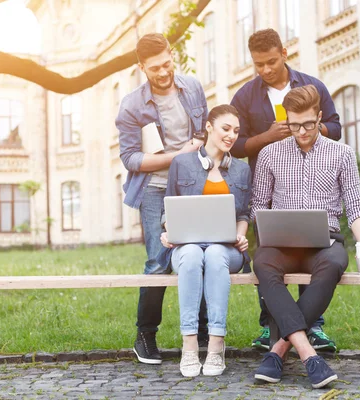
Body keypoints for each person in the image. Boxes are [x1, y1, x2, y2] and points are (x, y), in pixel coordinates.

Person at [251, 85, 360, 388]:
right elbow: (258, 205)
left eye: (308, 123)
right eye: (294, 125)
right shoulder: (269, 154)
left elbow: (356, 204)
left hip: (326, 240)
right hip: (280, 243)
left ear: (319, 117)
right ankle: (309, 354)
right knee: (263, 263)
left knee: (335, 262)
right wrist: (267, 227)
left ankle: (278, 350)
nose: (302, 131)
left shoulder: (342, 154)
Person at [230, 28, 341, 352]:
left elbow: (334, 127)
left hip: (312, 186)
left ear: (284, 54)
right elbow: (235, 145)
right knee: (267, 254)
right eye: (258, 64)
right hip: (267, 188)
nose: (265, 70)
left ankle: (313, 326)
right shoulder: (245, 97)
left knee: (316, 249)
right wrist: (268, 137)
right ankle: (270, 326)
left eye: (271, 62)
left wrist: (304, 127)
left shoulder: (312, 87)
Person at [116, 33, 209, 365]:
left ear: (172, 55)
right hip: (153, 188)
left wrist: (198, 143)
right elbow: (130, 159)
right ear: (142, 67)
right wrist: (176, 156)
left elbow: (202, 131)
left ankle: (201, 336)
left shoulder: (193, 87)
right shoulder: (131, 105)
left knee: (195, 255)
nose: (164, 72)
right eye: (155, 68)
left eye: (167, 63)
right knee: (158, 261)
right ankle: (145, 336)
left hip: (191, 184)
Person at [158, 104, 252, 377]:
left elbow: (244, 214)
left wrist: (241, 236)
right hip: (186, 248)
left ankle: (215, 344)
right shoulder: (182, 163)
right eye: (225, 128)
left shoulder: (241, 170)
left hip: (226, 250)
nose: (231, 135)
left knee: (213, 254)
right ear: (209, 127)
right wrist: (168, 230)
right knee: (191, 254)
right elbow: (168, 210)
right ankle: (189, 345)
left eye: (236, 131)